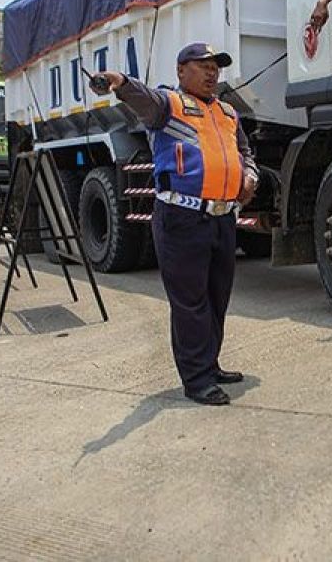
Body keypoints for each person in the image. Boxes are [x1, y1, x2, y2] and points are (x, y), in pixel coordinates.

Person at [92, 43, 259, 406]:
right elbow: (142, 98)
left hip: (221, 218)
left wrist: (250, 175)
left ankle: (209, 363)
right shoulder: (168, 106)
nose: (212, 72)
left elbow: (246, 153)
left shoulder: (229, 113)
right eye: (203, 66)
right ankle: (196, 379)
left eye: (215, 66)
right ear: (182, 71)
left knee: (216, 298)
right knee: (190, 302)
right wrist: (119, 81)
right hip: (182, 219)